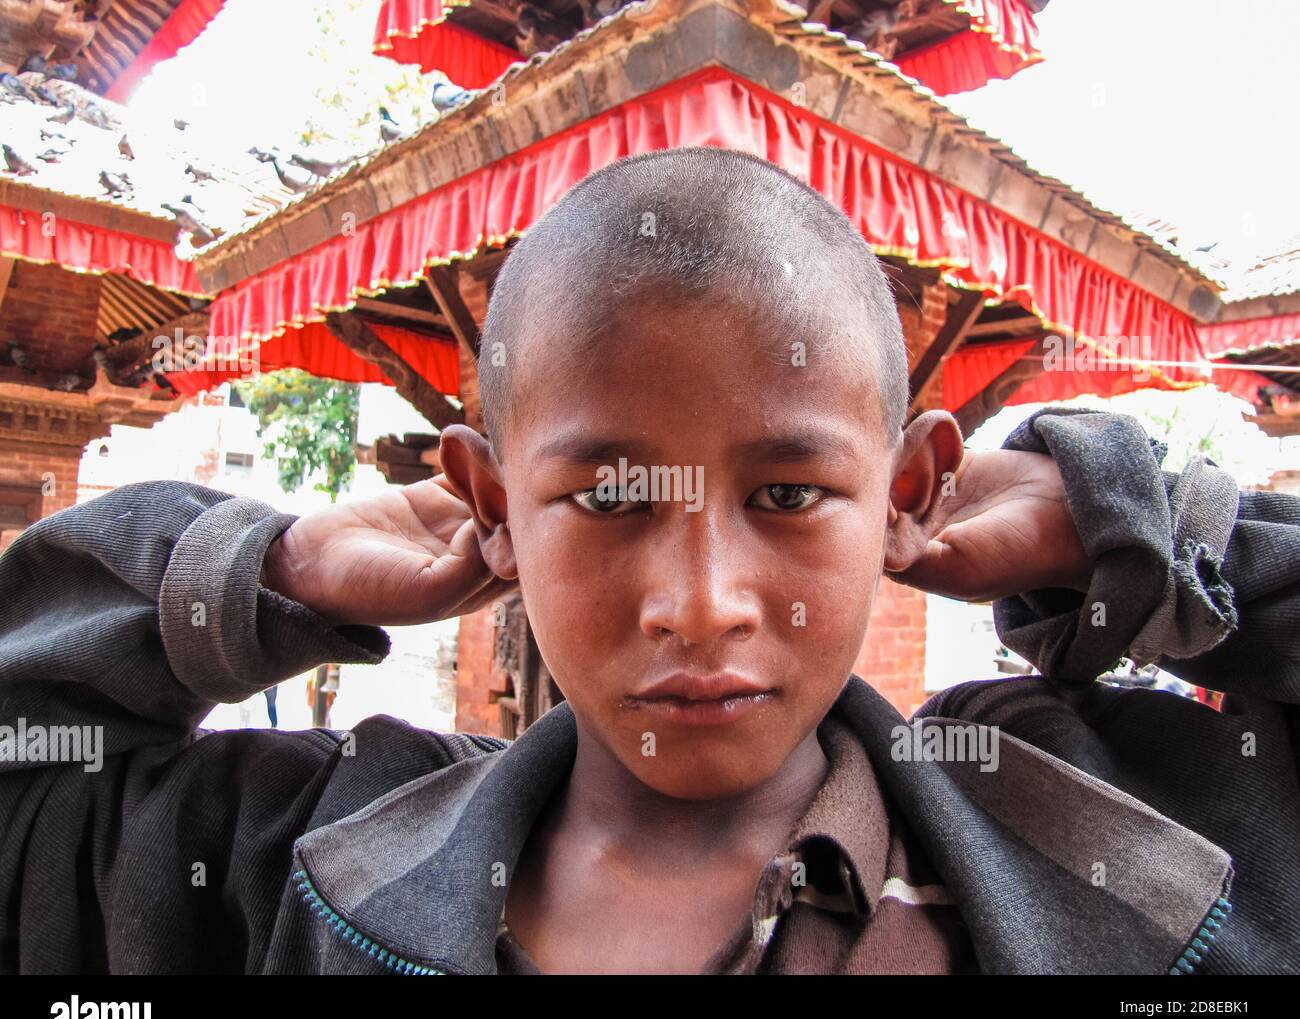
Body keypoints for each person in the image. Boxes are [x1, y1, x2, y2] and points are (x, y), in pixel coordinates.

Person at [1, 147, 1296, 974]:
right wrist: (270, 563)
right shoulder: (305, 861)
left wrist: (1126, 524)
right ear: (491, 508)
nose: (700, 601)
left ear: (908, 491)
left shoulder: (1123, 834)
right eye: (610, 495)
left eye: (791, 491)